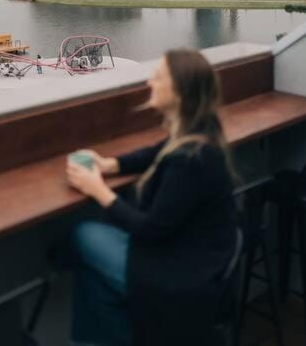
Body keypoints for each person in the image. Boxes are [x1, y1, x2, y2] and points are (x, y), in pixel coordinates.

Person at [63, 48, 238, 346]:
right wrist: (111, 165)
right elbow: (159, 150)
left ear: (180, 93)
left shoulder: (190, 160)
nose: (149, 83)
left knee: (82, 235)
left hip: (179, 277)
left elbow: (150, 230)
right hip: (200, 259)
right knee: (92, 279)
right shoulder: (201, 135)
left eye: (158, 77)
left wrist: (98, 190)